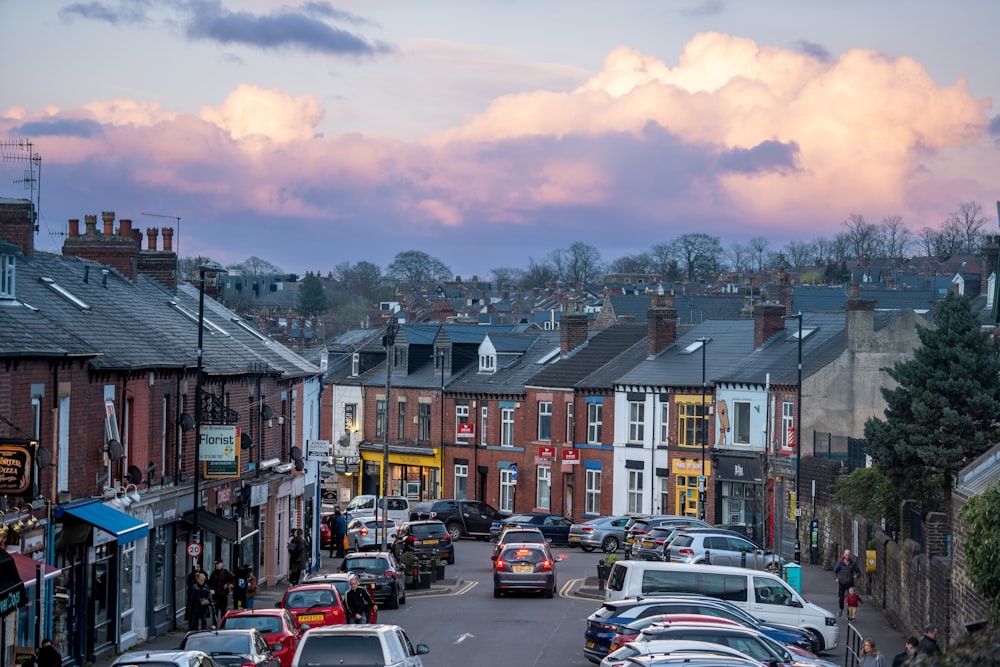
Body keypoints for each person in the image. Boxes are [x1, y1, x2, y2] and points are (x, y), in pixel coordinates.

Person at [833, 548, 861, 618]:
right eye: (846, 555)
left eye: (848, 555)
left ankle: (849, 613)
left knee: (851, 599)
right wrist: (836, 578)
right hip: (842, 583)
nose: (847, 557)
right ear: (844, 555)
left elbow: (858, 572)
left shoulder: (853, 564)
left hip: (850, 584)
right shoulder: (840, 562)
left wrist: (856, 575)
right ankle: (841, 609)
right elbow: (835, 571)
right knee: (841, 598)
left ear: (850, 555)